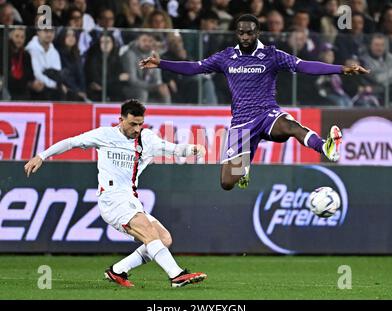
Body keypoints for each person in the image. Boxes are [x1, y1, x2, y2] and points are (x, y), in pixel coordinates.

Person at [139, 14, 369, 191]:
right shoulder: (225, 57)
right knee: (227, 182)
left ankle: (325, 146)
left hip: (266, 114)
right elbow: (194, 68)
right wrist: (161, 63)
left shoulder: (272, 54)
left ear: (257, 31)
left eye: (249, 33)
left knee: (289, 127)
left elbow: (304, 66)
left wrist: (340, 69)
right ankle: (244, 166)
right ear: (237, 33)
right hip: (241, 124)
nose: (246, 37)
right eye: (241, 33)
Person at [24, 98, 207, 288]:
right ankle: (176, 275)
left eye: (140, 124)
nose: (137, 129)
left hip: (130, 199)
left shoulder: (147, 138)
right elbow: (72, 142)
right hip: (111, 199)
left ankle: (118, 270)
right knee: (148, 231)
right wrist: (41, 156)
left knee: (164, 238)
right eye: (132, 124)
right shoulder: (105, 135)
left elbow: (174, 149)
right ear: (120, 119)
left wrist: (195, 148)